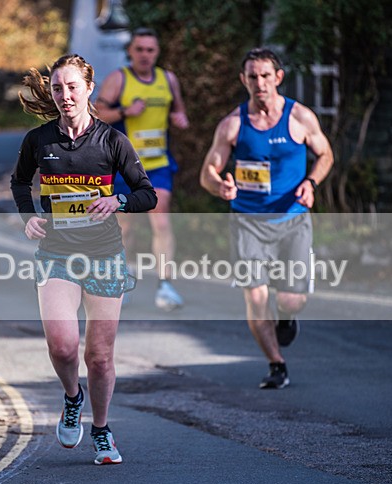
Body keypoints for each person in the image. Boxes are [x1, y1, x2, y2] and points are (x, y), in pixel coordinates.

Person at [10, 54, 157, 464]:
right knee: (62, 346)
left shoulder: (112, 141)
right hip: (56, 253)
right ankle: (72, 398)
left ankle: (102, 430)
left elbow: (148, 194)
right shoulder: (39, 141)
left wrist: (119, 200)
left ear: (89, 89)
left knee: (100, 356)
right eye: (58, 88)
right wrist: (29, 218)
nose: (65, 95)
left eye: (72, 87)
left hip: (105, 256)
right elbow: (20, 181)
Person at [199, 48, 333, 389]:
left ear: (278, 77)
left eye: (265, 75)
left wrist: (310, 182)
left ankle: (287, 316)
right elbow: (208, 172)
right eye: (252, 76)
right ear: (244, 80)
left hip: (292, 219)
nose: (259, 82)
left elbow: (326, 153)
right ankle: (277, 365)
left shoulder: (300, 117)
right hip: (247, 222)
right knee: (256, 296)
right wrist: (221, 186)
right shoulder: (233, 124)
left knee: (290, 298)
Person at [94, 28, 189, 311]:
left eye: (150, 50)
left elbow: (179, 110)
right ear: (131, 52)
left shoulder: (167, 80)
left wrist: (179, 118)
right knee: (125, 227)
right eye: (140, 50)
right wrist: (124, 112)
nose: (145, 55)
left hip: (158, 164)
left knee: (161, 222)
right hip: (126, 167)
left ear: (157, 52)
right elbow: (96, 113)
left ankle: (166, 286)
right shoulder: (119, 80)